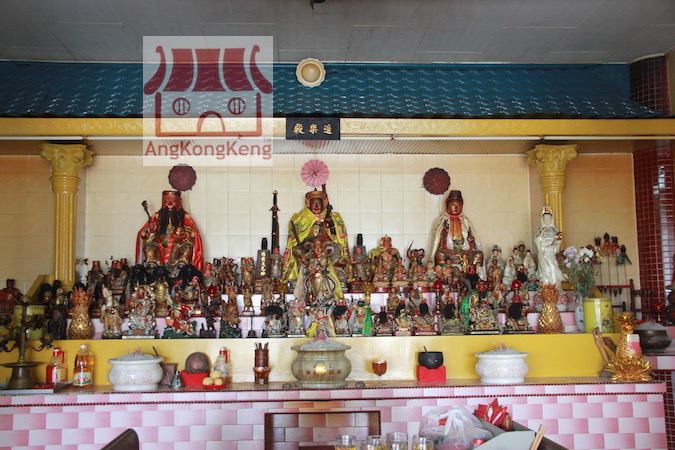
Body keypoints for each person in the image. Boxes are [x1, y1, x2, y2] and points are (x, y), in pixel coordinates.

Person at [281, 189, 350, 288]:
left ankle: (337, 277)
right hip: (308, 249)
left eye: (319, 203)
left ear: (324, 203)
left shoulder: (334, 217)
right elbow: (295, 239)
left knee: (337, 252)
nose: (316, 206)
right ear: (308, 203)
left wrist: (331, 224)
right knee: (297, 251)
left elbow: (338, 237)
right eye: (313, 203)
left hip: (327, 249)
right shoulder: (300, 218)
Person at [136, 190, 204, 271]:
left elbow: (193, 232)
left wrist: (189, 234)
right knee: (149, 246)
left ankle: (180, 265)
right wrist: (150, 230)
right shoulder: (157, 216)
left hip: (178, 246)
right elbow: (145, 233)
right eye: (166, 201)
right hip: (160, 245)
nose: (170, 204)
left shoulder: (185, 217)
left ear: (179, 202)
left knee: (187, 247)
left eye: (174, 201)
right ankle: (153, 264)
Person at [430, 190, 482, 267]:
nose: (456, 208)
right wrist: (444, 234)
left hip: (465, 252)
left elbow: (473, 238)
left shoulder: (465, 221)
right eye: (453, 205)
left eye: (459, 205)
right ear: (448, 206)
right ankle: (445, 272)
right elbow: (437, 239)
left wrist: (471, 241)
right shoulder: (443, 220)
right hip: (449, 252)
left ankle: (473, 271)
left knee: (479, 255)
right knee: (440, 255)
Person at [534, 205, 565, 293]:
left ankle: (555, 289)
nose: (547, 220)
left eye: (548, 218)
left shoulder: (554, 230)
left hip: (551, 253)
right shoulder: (540, 230)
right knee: (545, 271)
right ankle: (544, 290)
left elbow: (558, 240)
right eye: (545, 219)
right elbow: (536, 240)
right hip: (543, 253)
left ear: (551, 219)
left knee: (553, 268)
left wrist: (554, 245)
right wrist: (541, 235)